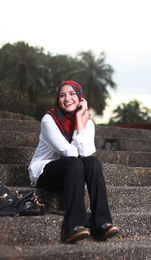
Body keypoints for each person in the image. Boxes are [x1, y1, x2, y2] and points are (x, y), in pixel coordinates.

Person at [28, 81, 119, 243]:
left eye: (72, 94)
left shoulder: (87, 122)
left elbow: (87, 153)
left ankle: (103, 223)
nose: (67, 98)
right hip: (46, 172)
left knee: (93, 163)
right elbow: (70, 152)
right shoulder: (49, 119)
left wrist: (78, 118)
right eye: (62, 95)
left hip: (73, 174)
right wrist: (79, 122)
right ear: (58, 99)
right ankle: (74, 226)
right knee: (74, 162)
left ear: (80, 98)